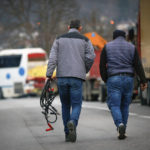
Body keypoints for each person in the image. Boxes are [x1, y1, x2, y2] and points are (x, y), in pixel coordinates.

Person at [46, 19, 95, 142]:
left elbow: (53, 58)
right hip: (77, 78)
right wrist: (84, 69)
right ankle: (72, 122)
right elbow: (91, 56)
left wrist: (49, 74)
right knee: (77, 104)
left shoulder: (58, 39)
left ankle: (67, 133)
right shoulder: (85, 40)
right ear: (80, 28)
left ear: (68, 27)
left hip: (62, 77)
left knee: (65, 105)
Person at [100, 30, 147, 140]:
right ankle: (123, 129)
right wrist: (143, 81)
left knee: (114, 104)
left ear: (114, 37)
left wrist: (106, 79)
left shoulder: (107, 46)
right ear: (125, 37)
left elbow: (102, 65)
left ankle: (119, 124)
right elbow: (138, 65)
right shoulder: (131, 47)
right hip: (128, 78)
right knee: (125, 105)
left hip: (114, 78)